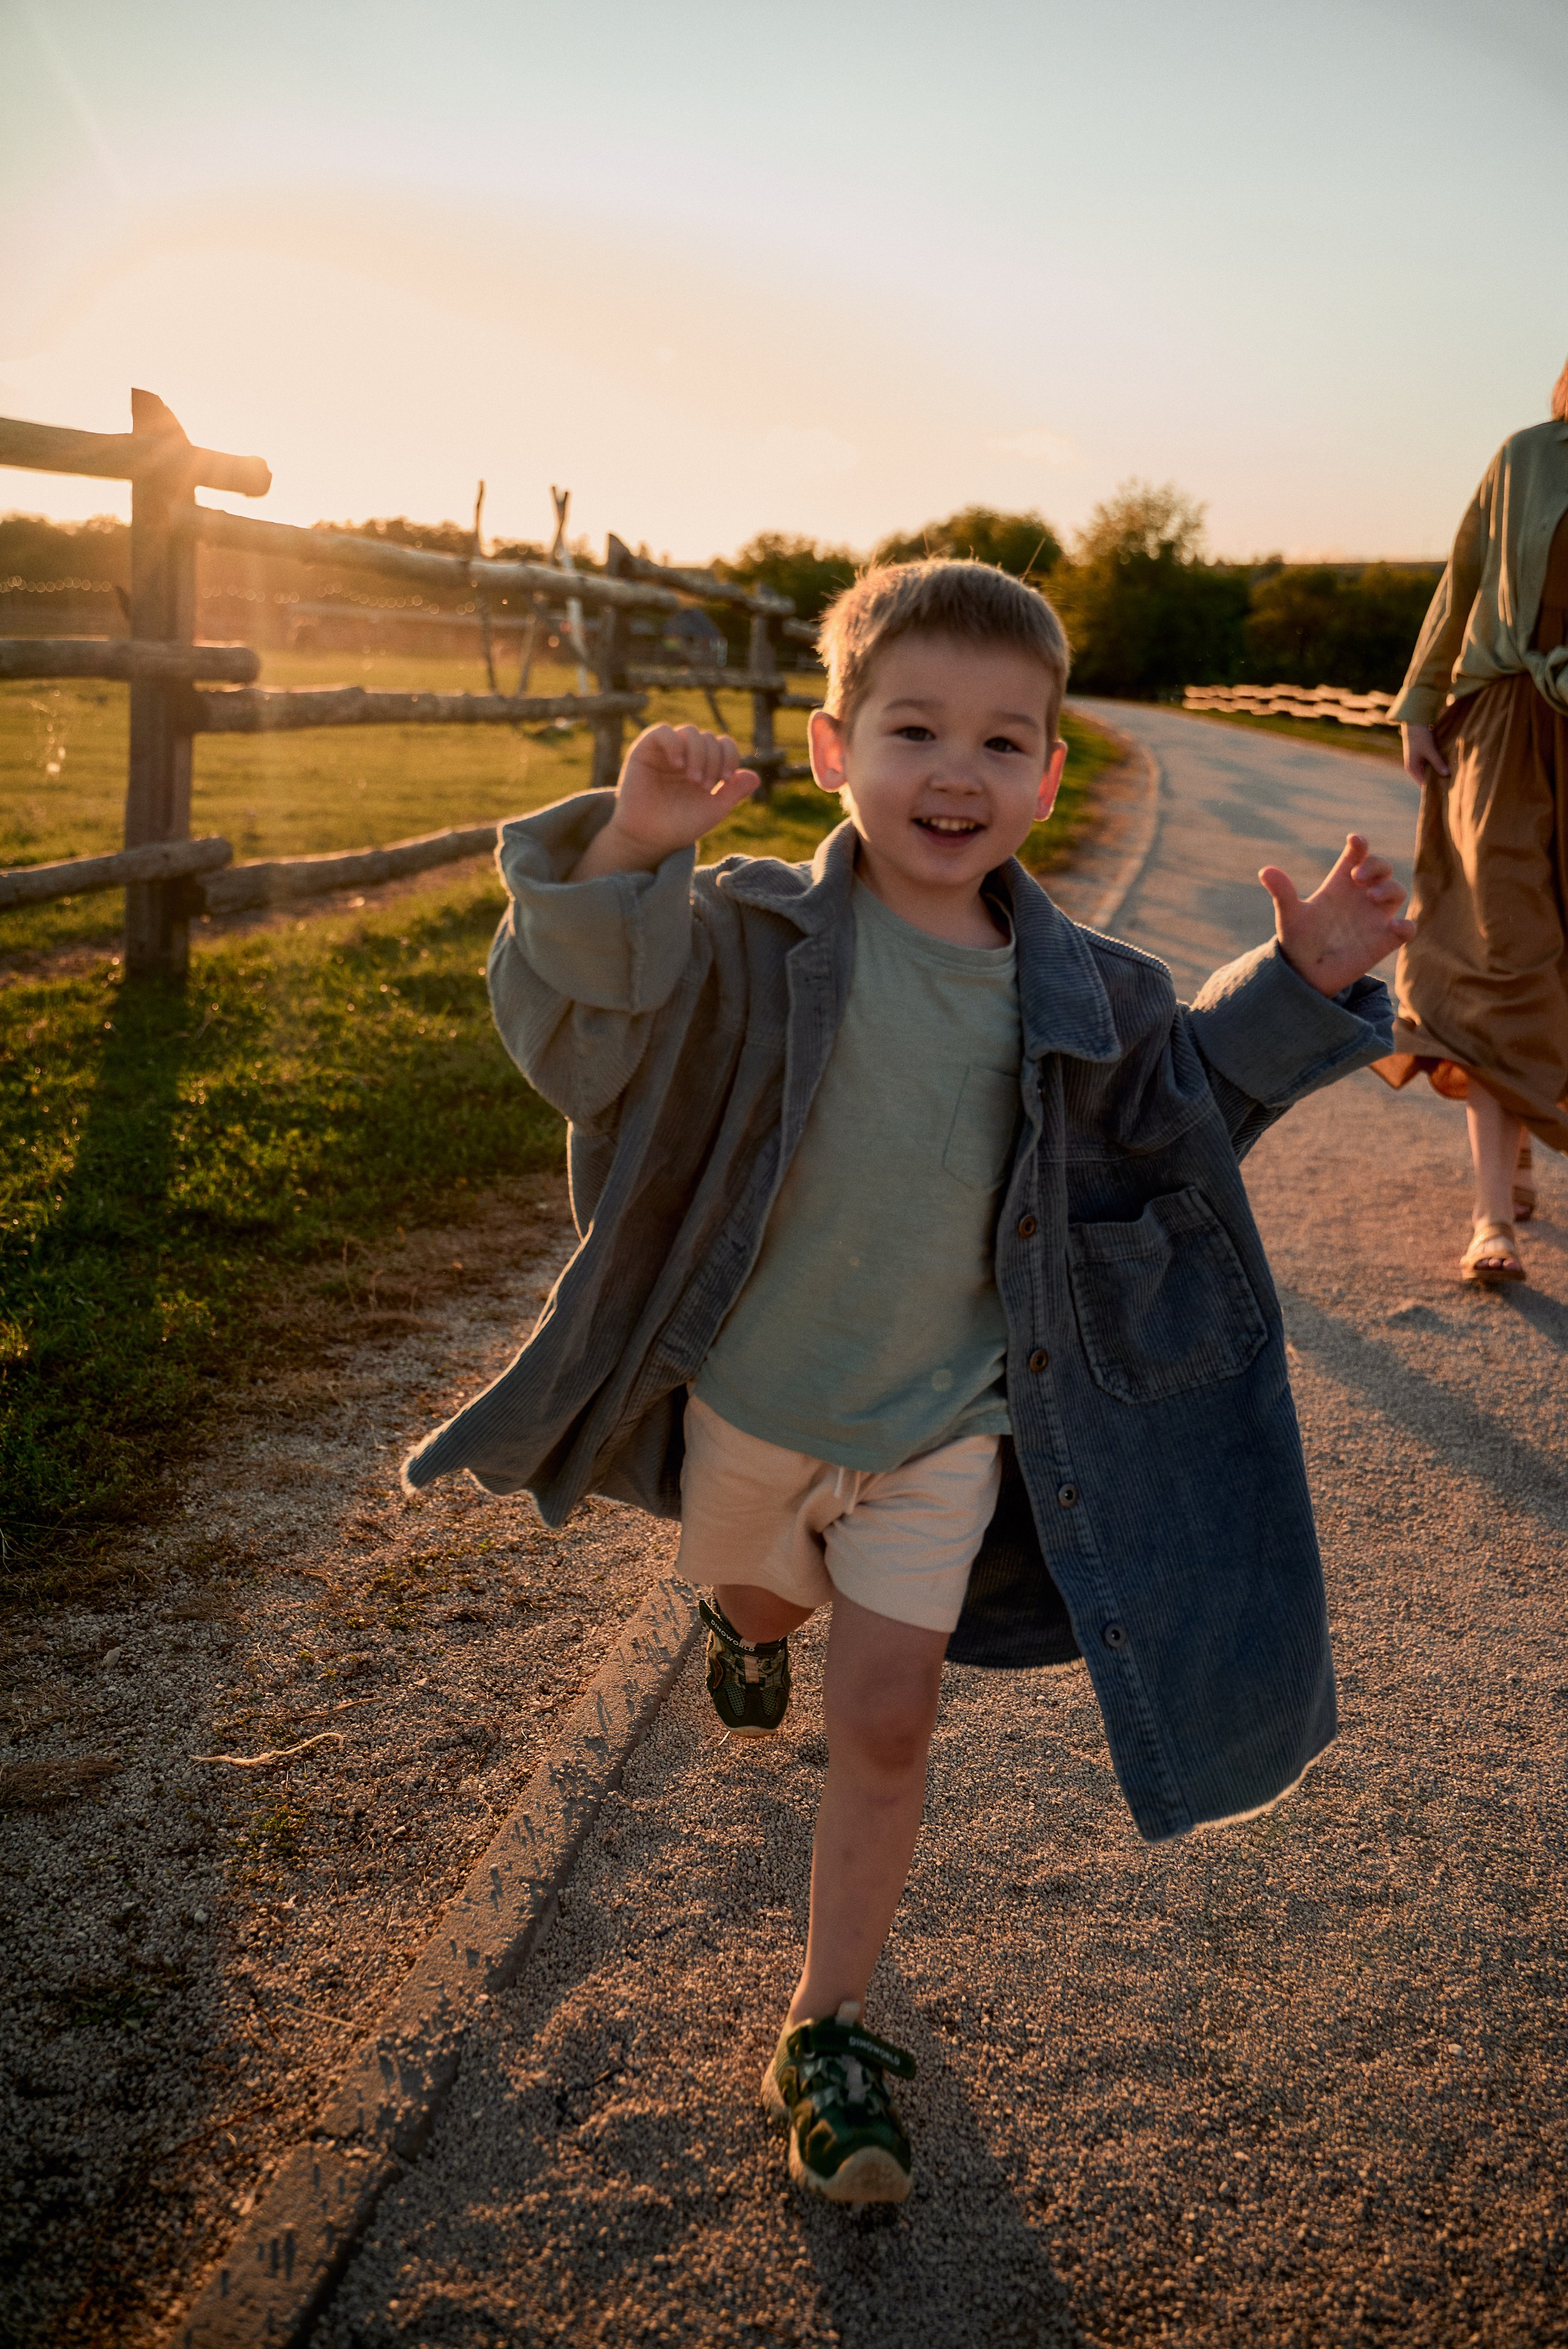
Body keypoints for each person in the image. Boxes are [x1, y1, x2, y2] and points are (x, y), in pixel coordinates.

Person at [403, 559, 1411, 2206]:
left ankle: (830, 2023)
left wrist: (1302, 982)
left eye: (1006, 742)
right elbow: (571, 1030)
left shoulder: (1086, 989)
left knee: (888, 1720)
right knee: (757, 1597)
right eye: (917, 728)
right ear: (830, 747)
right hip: (753, 1400)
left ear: (1051, 777)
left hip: (951, 1429)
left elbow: (1179, 1116)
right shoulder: (739, 937)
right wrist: (637, 847)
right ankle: (741, 1622)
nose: (959, 771)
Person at [1376, 356, 1568, 1284]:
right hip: (1509, 725)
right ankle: (1494, 1218)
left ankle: (1522, 1133)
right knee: (1501, 955)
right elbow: (1461, 580)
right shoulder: (1529, 458)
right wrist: (1420, 702)